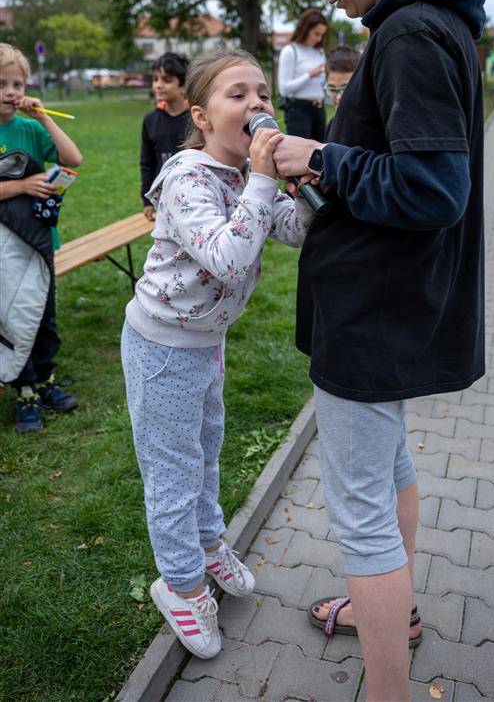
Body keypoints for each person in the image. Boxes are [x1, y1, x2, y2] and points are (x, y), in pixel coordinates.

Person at [273, 0, 486, 702]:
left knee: (360, 512)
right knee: (390, 469)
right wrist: (335, 166)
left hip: (370, 316)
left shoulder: (408, 34)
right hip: (390, 309)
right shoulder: (431, 24)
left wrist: (319, 156)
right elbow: (409, 169)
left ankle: (387, 685)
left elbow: (434, 190)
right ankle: (392, 614)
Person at [121, 49, 313, 660]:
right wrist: (263, 180)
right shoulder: (188, 178)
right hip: (161, 349)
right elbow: (228, 258)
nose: (257, 103)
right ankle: (180, 586)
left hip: (206, 344)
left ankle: (207, 547)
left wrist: (307, 185)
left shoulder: (246, 174)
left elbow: (295, 231)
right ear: (201, 116)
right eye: (239, 94)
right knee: (172, 472)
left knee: (205, 454)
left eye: (263, 93)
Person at [0, 43, 83, 432]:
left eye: (17, 84)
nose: (10, 92)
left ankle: (45, 378)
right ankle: (24, 389)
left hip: (39, 242)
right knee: (12, 316)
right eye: (1, 84)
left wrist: (44, 118)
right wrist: (22, 186)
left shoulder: (30, 128)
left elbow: (73, 159)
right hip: (5, 248)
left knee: (43, 314)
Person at [140, 52, 190, 220]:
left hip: (195, 195)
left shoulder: (197, 119)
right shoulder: (150, 120)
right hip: (164, 200)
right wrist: (147, 200)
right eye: (155, 79)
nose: (158, 85)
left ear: (183, 86)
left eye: (166, 80)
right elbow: (147, 163)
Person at [277, 9, 328, 141]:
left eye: (322, 35)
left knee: (320, 150)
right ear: (305, 29)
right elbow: (284, 89)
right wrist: (310, 74)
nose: (319, 39)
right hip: (298, 110)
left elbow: (321, 84)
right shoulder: (290, 51)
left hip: (320, 108)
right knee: (300, 150)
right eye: (316, 34)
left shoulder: (319, 52)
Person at [323, 45, 361, 139]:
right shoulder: (332, 125)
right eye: (332, 89)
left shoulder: (374, 128)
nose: (339, 97)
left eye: (346, 89)